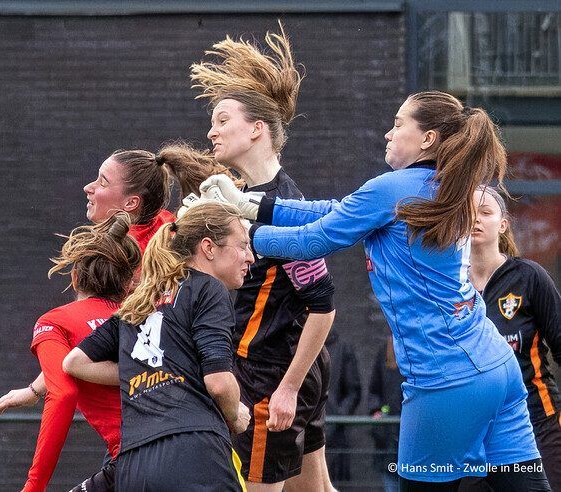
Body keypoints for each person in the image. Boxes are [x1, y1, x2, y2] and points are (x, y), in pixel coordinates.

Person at [202, 91, 551, 490]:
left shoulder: (393, 187)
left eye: (399, 124)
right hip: (497, 369)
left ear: (428, 139)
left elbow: (310, 241)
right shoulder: (443, 185)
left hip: (442, 380)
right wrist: (251, 203)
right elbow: (338, 210)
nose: (388, 133)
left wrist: (241, 232)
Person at [0, 143, 227, 491]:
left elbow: (113, 346)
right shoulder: (167, 230)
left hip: (157, 429)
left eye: (101, 181)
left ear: (130, 204)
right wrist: (39, 386)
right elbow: (102, 337)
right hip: (176, 426)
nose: (89, 187)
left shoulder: (144, 256)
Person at [190, 23, 337, 492]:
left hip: (269, 375)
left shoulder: (283, 206)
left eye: (221, 120)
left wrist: (288, 387)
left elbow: (324, 306)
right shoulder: (241, 197)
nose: (210, 131)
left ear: (257, 129)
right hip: (286, 368)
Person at [64, 202, 254, 491]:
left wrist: (139, 371)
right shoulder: (208, 289)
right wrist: (235, 415)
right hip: (194, 452)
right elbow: (218, 383)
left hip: (134, 464)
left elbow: (75, 362)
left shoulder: (138, 301)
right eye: (242, 246)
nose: (250, 257)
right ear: (209, 248)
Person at [0, 213, 141, 491]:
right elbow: (89, 352)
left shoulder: (56, 321)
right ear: (128, 282)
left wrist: (34, 486)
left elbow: (64, 393)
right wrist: (34, 390)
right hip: (185, 447)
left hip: (134, 457)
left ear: (74, 276)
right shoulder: (140, 318)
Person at [466, 186, 561, 491]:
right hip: (470, 428)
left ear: (503, 223)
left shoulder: (529, 277)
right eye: (468, 212)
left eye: (485, 212)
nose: (476, 219)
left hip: (537, 421)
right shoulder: (447, 283)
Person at [367, 337, 404, 492]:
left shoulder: (422, 352)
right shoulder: (386, 351)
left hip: (412, 433)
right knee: (392, 482)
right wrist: (376, 410)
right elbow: (374, 390)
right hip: (389, 438)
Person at [324, 330, 361, 485]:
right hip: (306, 430)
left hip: (335, 435)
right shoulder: (297, 345)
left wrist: (338, 415)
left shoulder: (343, 348)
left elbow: (354, 390)